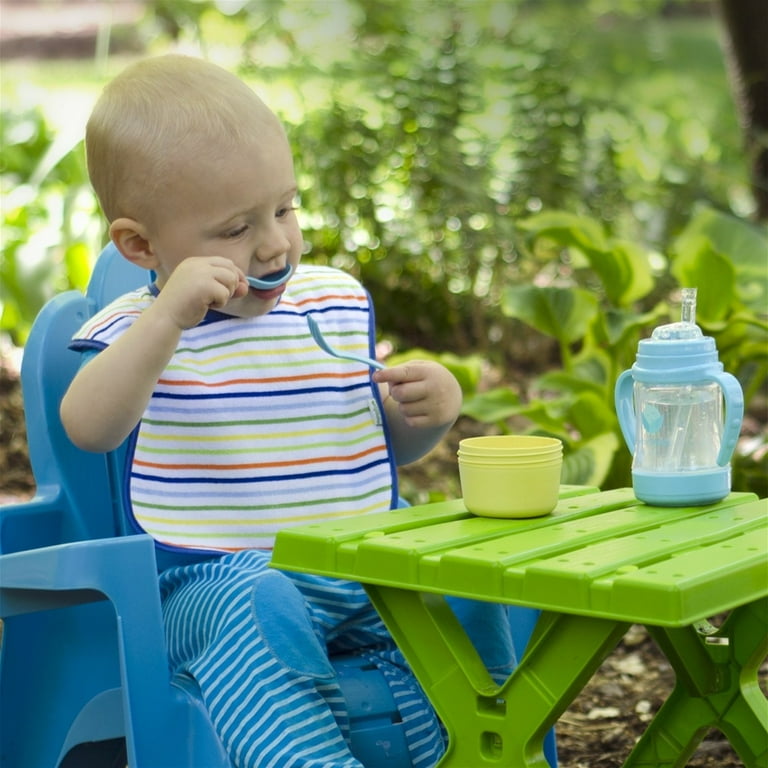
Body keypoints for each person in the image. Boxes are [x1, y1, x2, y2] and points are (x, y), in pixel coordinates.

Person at [61, 55, 514, 768]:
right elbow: (90, 427)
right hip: (208, 583)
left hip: (364, 567)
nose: (275, 243)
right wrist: (166, 321)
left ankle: (476, 748)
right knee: (257, 605)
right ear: (142, 246)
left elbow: (364, 446)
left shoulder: (325, 306)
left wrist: (424, 418)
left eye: (285, 207)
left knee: (456, 587)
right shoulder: (137, 330)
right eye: (237, 228)